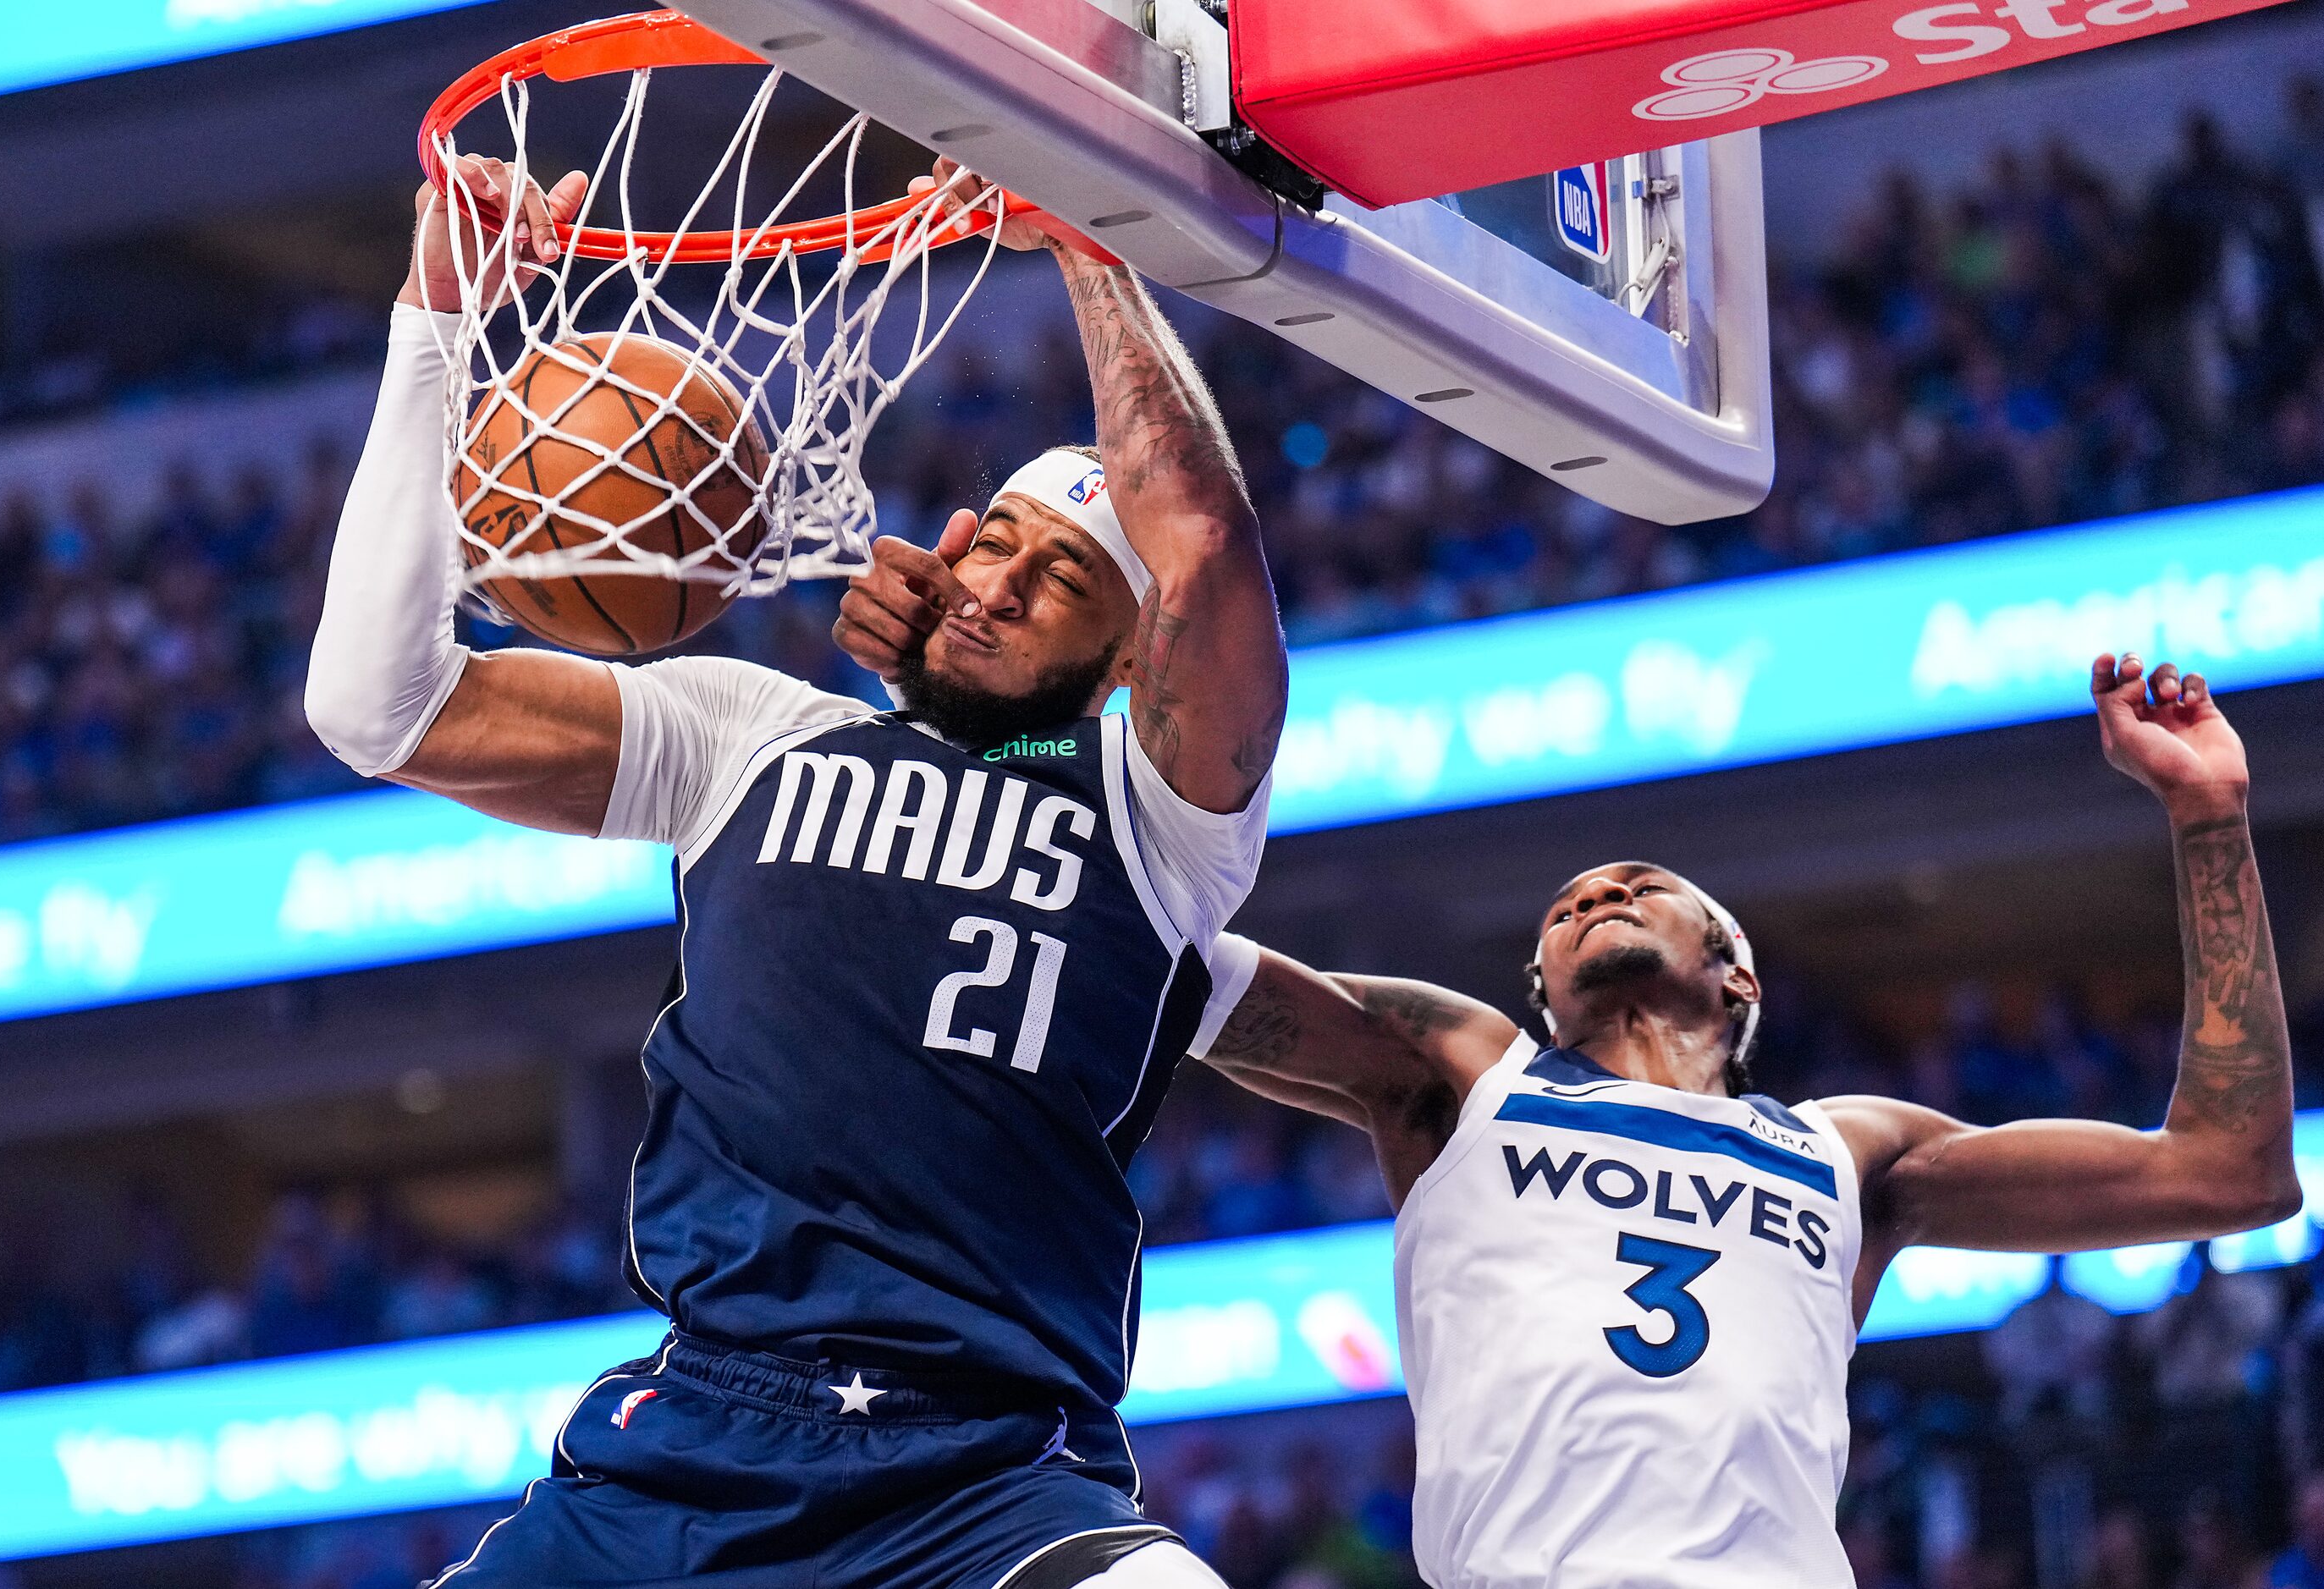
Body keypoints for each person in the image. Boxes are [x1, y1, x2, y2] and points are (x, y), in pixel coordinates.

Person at [305, 154, 1286, 1589]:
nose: (1000, 582)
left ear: (1133, 658)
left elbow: (1198, 545)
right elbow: (375, 708)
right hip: (693, 1434)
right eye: (993, 542)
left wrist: (1078, 222)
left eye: (1063, 579)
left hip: (982, 1466)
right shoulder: (749, 730)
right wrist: (436, 319)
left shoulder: (1162, 817)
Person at [1187, 655, 2297, 1589]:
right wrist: (1040, 760)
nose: (1591, 896)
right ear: (1542, 985)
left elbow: (2225, 1172)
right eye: (1563, 907)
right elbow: (1174, 974)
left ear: (1739, 977)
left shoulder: (1850, 1149)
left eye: (1636, 881)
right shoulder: (1471, 1073)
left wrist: (2208, 818)